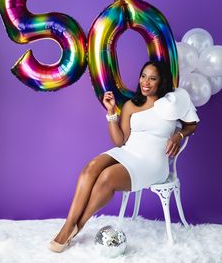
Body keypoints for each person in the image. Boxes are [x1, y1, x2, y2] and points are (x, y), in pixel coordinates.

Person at [49, 60, 200, 253]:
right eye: (143, 76)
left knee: (107, 177)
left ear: (161, 82)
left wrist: (178, 136)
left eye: (152, 78)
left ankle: (77, 225)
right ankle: (69, 225)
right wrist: (111, 111)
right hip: (128, 151)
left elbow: (191, 124)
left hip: (152, 162)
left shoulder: (172, 103)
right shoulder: (131, 105)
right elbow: (120, 141)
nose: (146, 82)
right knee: (91, 167)